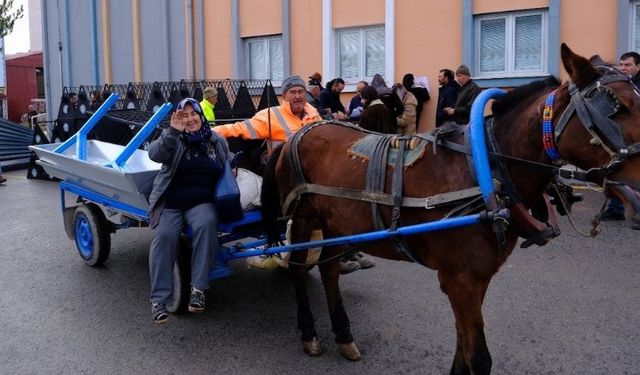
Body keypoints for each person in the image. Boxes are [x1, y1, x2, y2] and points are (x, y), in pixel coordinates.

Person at [213, 75, 376, 273]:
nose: (298, 96)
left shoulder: (312, 113)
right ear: (284, 96)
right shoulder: (271, 116)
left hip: (310, 175)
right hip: (283, 178)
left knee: (340, 193)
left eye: (301, 92)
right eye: (293, 92)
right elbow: (239, 128)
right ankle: (336, 255)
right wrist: (207, 130)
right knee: (323, 205)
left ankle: (347, 249)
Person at [146, 98, 232, 324]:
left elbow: (229, 163)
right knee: (165, 237)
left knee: (206, 224)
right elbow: (154, 154)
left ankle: (198, 289)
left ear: (201, 116)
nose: (190, 119)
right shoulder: (173, 139)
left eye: (194, 114)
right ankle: (159, 300)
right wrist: (172, 132)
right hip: (172, 203)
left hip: (202, 202)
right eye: (184, 115)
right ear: (177, 118)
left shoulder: (215, 140)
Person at [601, 51, 640, 230]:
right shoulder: (620, 85)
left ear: (638, 67)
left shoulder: (635, 88)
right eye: (622, 64)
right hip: (624, 138)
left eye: (628, 65)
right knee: (617, 170)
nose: (623, 68)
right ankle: (615, 208)